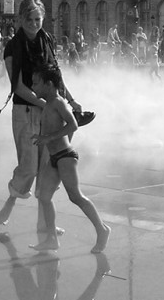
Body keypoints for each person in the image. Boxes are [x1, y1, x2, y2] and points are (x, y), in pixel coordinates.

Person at [0, 0, 83, 232]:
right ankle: (12, 199)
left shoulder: (47, 40)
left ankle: (45, 223)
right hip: (25, 110)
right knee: (29, 167)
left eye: (38, 19)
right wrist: (43, 103)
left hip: (49, 111)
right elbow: (17, 86)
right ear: (21, 19)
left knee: (47, 167)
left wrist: (71, 100)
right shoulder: (13, 46)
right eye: (30, 19)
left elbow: (56, 78)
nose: (34, 24)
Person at [30, 65, 111, 253]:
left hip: (65, 157)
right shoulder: (48, 105)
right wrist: (43, 139)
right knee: (43, 196)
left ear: (49, 84)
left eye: (36, 83)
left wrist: (48, 138)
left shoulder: (59, 102)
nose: (33, 88)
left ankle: (102, 229)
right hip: (54, 158)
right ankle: (51, 239)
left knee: (75, 196)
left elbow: (73, 125)